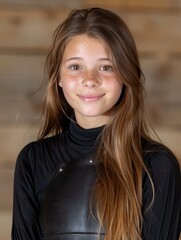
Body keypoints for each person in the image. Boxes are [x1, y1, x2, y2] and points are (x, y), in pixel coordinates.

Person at [11, 7, 181, 240]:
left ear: (126, 74)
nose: (90, 80)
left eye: (106, 67)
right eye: (75, 67)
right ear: (58, 77)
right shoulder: (33, 161)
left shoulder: (157, 166)